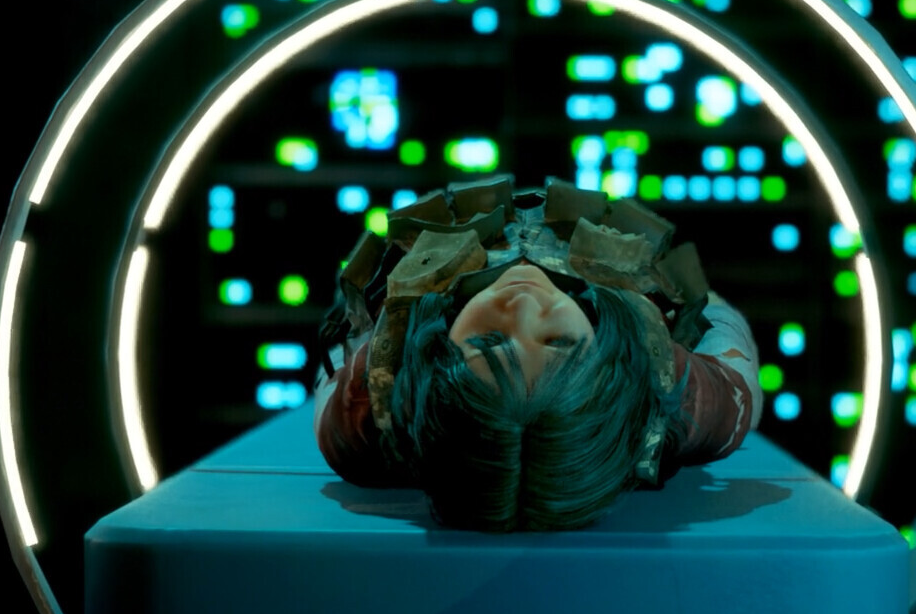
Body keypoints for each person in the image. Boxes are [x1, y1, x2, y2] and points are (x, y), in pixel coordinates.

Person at [310, 175, 763, 533]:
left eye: (490, 339)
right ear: (605, 363)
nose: (524, 308)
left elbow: (344, 347)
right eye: (557, 340)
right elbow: (721, 321)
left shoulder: (365, 411)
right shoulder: (682, 395)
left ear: (440, 358)